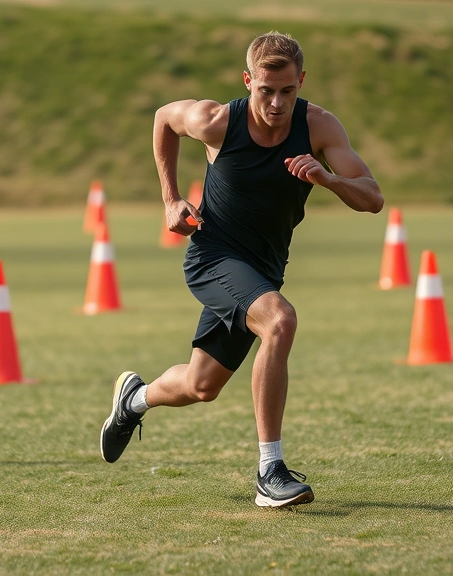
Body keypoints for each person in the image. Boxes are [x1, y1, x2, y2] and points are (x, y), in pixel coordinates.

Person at [100, 31, 383, 508]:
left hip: (263, 271)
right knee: (280, 319)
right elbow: (163, 119)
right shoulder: (216, 120)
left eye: (287, 91)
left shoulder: (318, 126)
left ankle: (134, 399)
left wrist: (327, 178)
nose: (275, 103)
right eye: (265, 91)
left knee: (201, 385)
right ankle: (269, 471)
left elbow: (373, 198)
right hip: (213, 257)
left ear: (301, 82)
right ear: (248, 81)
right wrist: (170, 200)